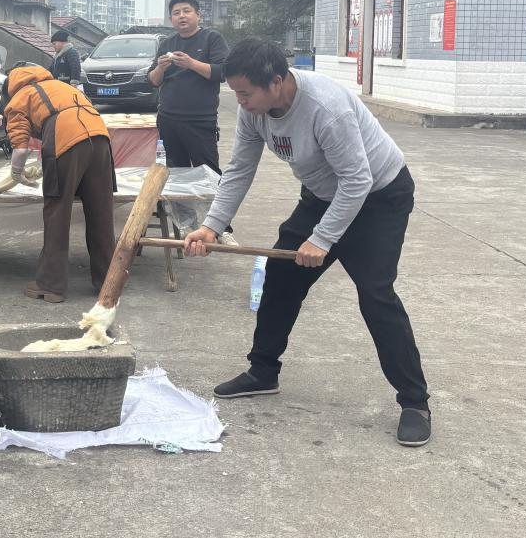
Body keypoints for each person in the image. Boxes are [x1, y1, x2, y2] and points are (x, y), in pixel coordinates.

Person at [182, 38, 431, 447]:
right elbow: (240, 168)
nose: (240, 102)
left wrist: (323, 238)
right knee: (281, 277)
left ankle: (415, 403)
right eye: (236, 93)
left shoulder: (326, 109)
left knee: (376, 294)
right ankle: (263, 372)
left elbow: (358, 180)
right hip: (322, 196)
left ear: (276, 82)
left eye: (246, 93)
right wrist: (212, 226)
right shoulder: (253, 111)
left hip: (379, 197)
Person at [4, 65, 115, 303]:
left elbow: (20, 148)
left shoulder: (20, 97)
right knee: (101, 213)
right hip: (100, 139)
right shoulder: (62, 87)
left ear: (11, 86)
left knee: (57, 213)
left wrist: (16, 173)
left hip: (66, 140)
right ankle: (109, 281)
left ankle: (51, 285)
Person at [148, 0, 230, 174]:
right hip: (168, 120)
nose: (182, 16)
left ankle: (211, 195)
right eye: (176, 13)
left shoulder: (211, 38)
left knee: (208, 173)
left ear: (198, 14)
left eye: (187, 11)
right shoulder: (167, 43)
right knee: (173, 172)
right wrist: (160, 68)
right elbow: (153, 81)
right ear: (171, 19)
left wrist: (191, 63)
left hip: (200, 121)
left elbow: (223, 72)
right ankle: (176, 195)